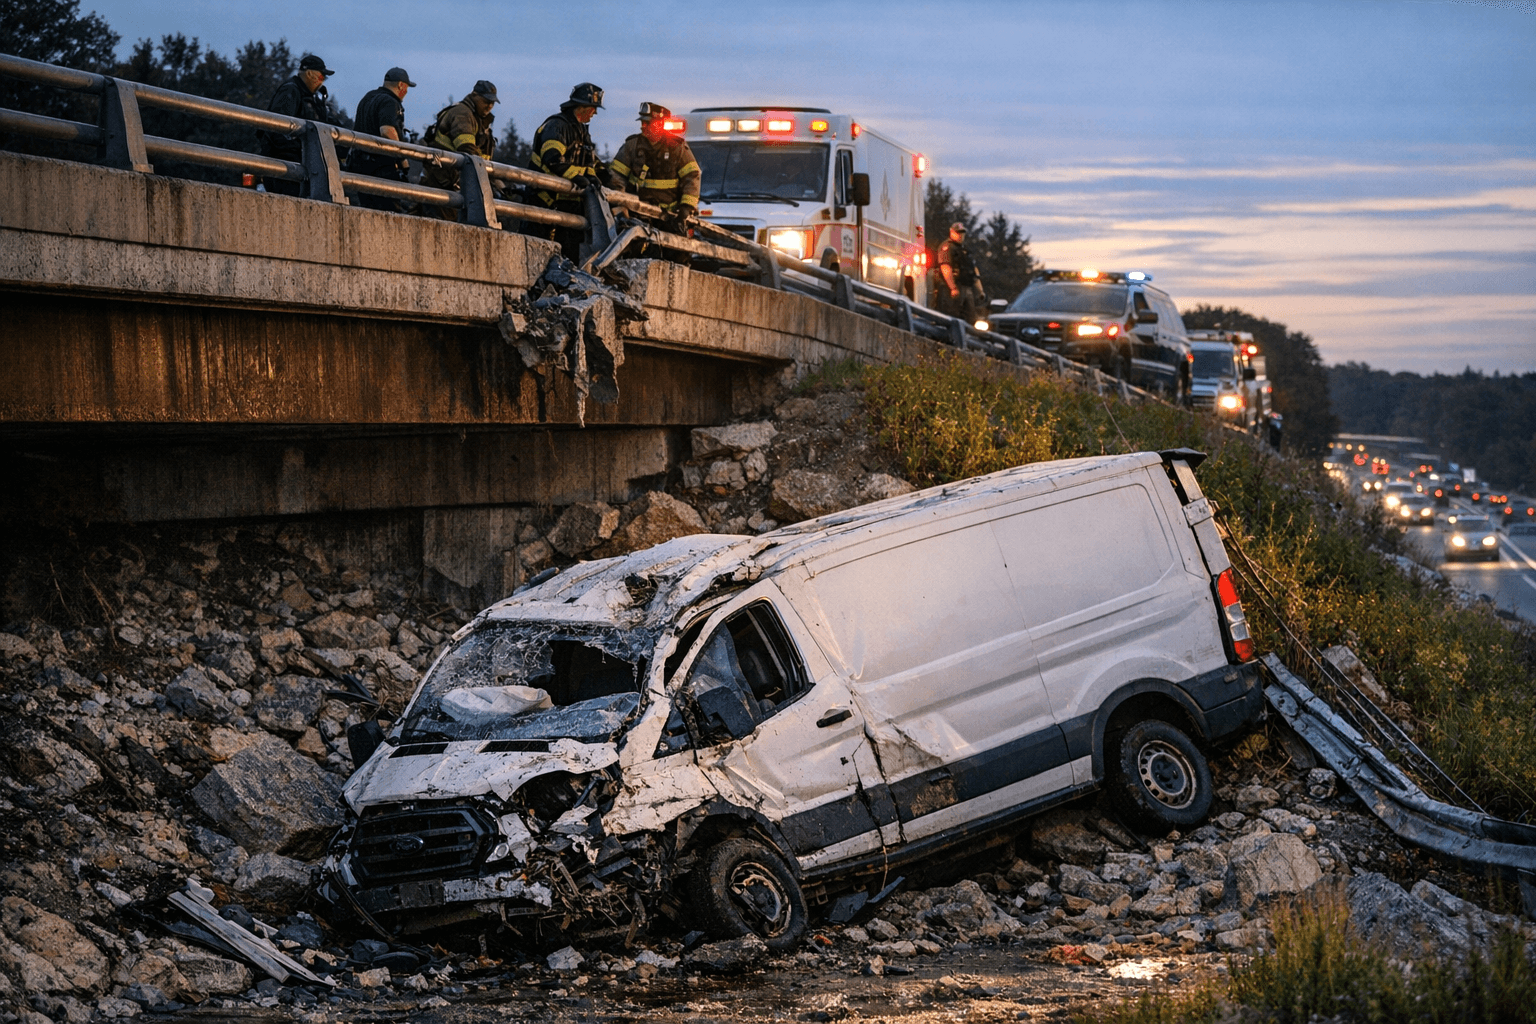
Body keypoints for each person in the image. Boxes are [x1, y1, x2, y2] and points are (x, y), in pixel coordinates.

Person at [609, 102, 701, 261]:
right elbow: (615, 176)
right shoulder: (632, 146)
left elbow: (692, 176)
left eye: (647, 123)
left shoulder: (677, 148)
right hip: (638, 214)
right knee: (634, 255)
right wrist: (621, 206)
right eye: (642, 123)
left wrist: (686, 207)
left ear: (660, 124)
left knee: (677, 256)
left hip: (670, 218)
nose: (643, 126)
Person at [526, 83, 605, 259]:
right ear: (581, 106)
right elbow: (552, 159)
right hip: (544, 203)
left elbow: (588, 164)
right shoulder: (557, 126)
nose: (595, 113)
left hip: (569, 207)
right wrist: (575, 177)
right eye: (593, 108)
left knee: (567, 259)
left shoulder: (581, 131)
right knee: (536, 255)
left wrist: (595, 178)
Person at [259, 54, 335, 197]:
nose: (322, 82)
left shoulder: (311, 98)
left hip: (298, 166)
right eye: (321, 77)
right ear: (309, 73)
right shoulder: (291, 91)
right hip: (285, 167)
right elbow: (276, 129)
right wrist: (302, 149)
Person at [422, 80, 499, 221]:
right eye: (486, 101)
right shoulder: (462, 114)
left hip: (455, 185)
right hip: (443, 184)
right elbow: (467, 148)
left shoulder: (479, 119)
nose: (489, 106)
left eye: (492, 103)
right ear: (474, 95)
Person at [346, 67, 415, 212]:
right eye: (407, 87)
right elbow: (387, 131)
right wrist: (402, 159)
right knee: (390, 213)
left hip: (359, 165)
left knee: (368, 211)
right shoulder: (391, 102)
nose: (407, 92)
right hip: (381, 167)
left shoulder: (368, 97)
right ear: (401, 85)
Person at [935, 221, 985, 325]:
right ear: (952, 232)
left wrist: (980, 290)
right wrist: (952, 287)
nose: (961, 235)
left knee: (971, 318)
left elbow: (974, 271)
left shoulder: (963, 250)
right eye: (958, 232)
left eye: (962, 233)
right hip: (952, 289)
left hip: (966, 288)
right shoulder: (947, 247)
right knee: (951, 317)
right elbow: (945, 267)